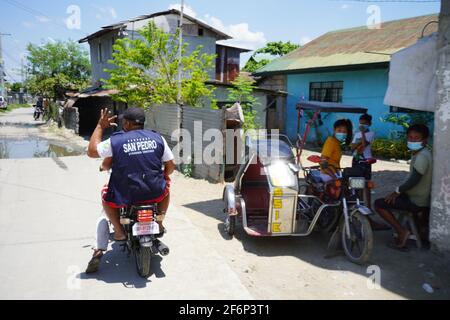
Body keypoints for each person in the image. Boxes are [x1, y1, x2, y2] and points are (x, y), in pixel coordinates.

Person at [85, 107, 176, 273]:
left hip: (125, 193)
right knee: (166, 185)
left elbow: (92, 152)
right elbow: (171, 167)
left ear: (126, 123)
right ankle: (160, 223)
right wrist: (160, 176)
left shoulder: (116, 141)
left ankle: (119, 232)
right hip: (154, 192)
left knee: (105, 196)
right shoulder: (158, 138)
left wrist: (100, 126)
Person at [373, 124, 432, 250]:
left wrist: (397, 191)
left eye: (416, 138)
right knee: (389, 198)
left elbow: (414, 179)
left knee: (379, 204)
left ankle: (401, 231)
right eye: (410, 137)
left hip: (417, 201)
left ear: (425, 140)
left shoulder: (422, 156)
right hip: (416, 197)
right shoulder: (422, 153)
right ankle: (407, 230)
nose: (412, 141)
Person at [351, 114, 375, 207]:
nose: (362, 125)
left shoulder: (371, 133)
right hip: (356, 159)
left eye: (364, 123)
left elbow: (364, 145)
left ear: (369, 124)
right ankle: (359, 204)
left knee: (366, 183)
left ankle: (368, 205)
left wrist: (361, 136)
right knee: (357, 183)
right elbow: (352, 147)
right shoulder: (356, 134)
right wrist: (358, 143)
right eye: (360, 123)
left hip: (366, 160)